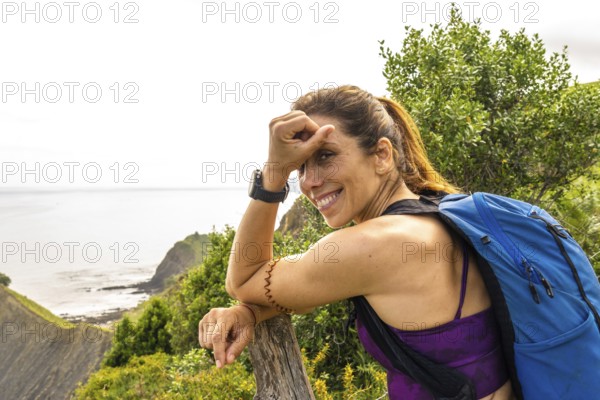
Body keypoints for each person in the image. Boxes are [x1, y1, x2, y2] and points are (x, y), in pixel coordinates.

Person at [198, 85, 514, 400]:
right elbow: (309, 291)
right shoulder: (438, 212)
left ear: (382, 155)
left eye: (326, 156)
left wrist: (274, 173)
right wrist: (250, 313)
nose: (309, 181)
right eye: (301, 166)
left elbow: (243, 279)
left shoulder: (377, 245)